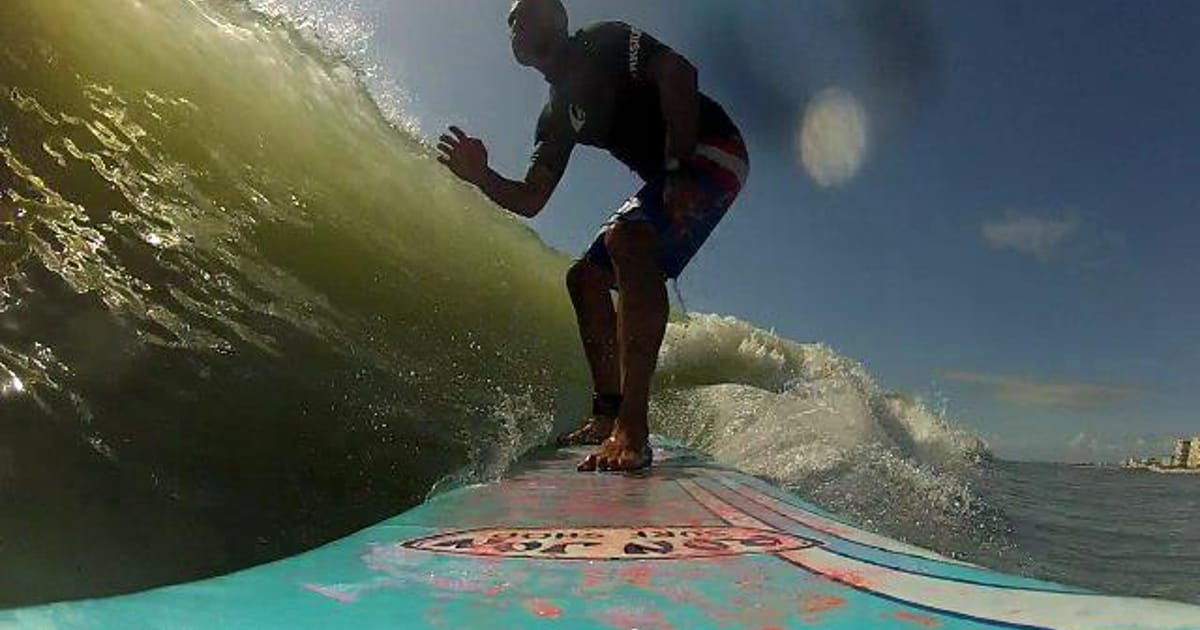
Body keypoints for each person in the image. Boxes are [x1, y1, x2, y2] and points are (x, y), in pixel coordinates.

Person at [437, 0, 748, 472]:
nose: (514, 22)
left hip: (711, 149)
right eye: (510, 21)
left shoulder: (603, 40)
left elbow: (678, 73)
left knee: (628, 240)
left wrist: (680, 168)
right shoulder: (555, 116)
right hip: (667, 175)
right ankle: (606, 415)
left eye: (526, 11)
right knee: (583, 278)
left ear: (558, 17)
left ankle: (633, 430)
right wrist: (482, 176)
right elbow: (531, 199)